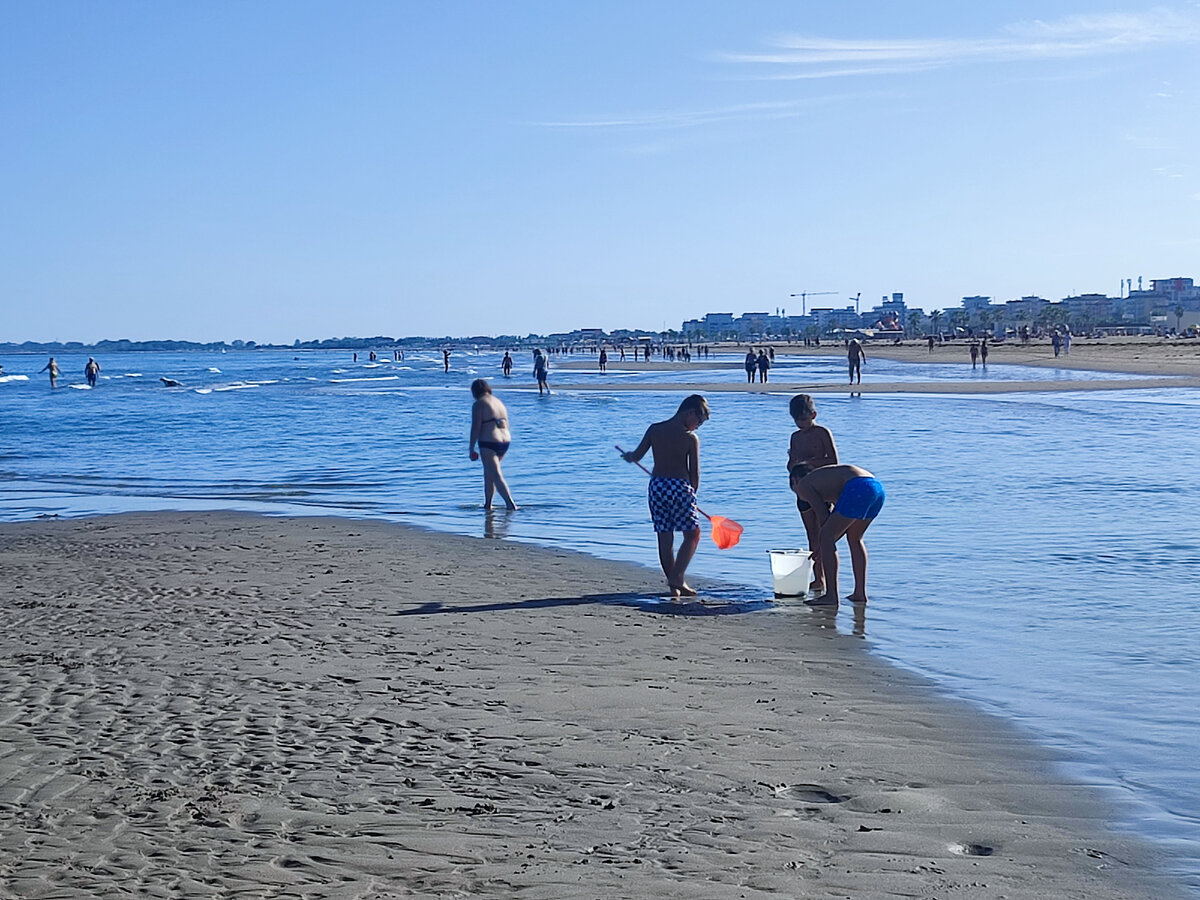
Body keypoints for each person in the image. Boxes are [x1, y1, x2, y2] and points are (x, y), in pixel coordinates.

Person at [622, 394, 710, 598]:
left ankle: (674, 585)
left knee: (665, 535)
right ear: (689, 413)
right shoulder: (690, 438)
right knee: (692, 534)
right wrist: (692, 495)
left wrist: (628, 456)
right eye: (699, 421)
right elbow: (694, 473)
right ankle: (677, 576)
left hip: (657, 487)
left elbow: (636, 456)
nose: (697, 427)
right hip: (680, 487)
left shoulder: (655, 429)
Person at [793, 464, 885, 605]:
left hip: (858, 486)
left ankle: (831, 596)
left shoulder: (804, 485)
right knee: (855, 538)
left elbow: (823, 516)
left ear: (795, 482)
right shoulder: (824, 480)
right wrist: (825, 544)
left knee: (826, 538)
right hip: (876, 487)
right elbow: (836, 522)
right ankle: (859, 593)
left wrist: (823, 544)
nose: (802, 498)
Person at [786, 394, 839, 595]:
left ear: (813, 415)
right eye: (797, 421)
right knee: (812, 536)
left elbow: (833, 460)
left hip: (822, 491)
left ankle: (827, 580)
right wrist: (795, 463)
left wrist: (809, 462)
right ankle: (818, 578)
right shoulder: (795, 437)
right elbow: (791, 465)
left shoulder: (822, 433)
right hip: (802, 492)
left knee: (826, 534)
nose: (801, 424)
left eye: (804, 419)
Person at [468, 379, 518, 511]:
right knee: (489, 473)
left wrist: (471, 447)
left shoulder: (479, 404)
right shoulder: (498, 402)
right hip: (505, 440)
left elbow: (476, 427)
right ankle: (488, 504)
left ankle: (510, 504)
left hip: (489, 441)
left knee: (495, 474)